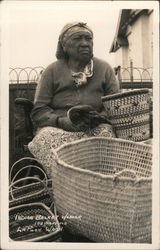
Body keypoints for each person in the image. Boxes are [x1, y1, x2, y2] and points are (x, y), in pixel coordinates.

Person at [28, 22, 120, 176]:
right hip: (57, 128)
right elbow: (39, 111)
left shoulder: (104, 69)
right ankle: (65, 187)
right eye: (78, 38)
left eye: (88, 39)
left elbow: (116, 104)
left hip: (94, 128)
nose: (85, 43)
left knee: (107, 135)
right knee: (45, 138)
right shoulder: (51, 71)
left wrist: (101, 117)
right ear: (64, 46)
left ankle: (100, 184)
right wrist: (61, 121)